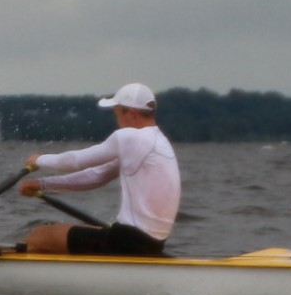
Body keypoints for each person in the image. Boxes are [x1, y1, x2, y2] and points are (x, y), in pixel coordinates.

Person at [19, 82, 181, 256]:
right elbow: (96, 176)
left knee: (42, 236)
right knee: (87, 231)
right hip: (151, 244)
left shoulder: (130, 137)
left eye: (117, 113)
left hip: (128, 241)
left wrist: (40, 160)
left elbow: (76, 161)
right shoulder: (158, 141)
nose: (117, 121)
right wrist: (42, 184)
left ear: (132, 113)